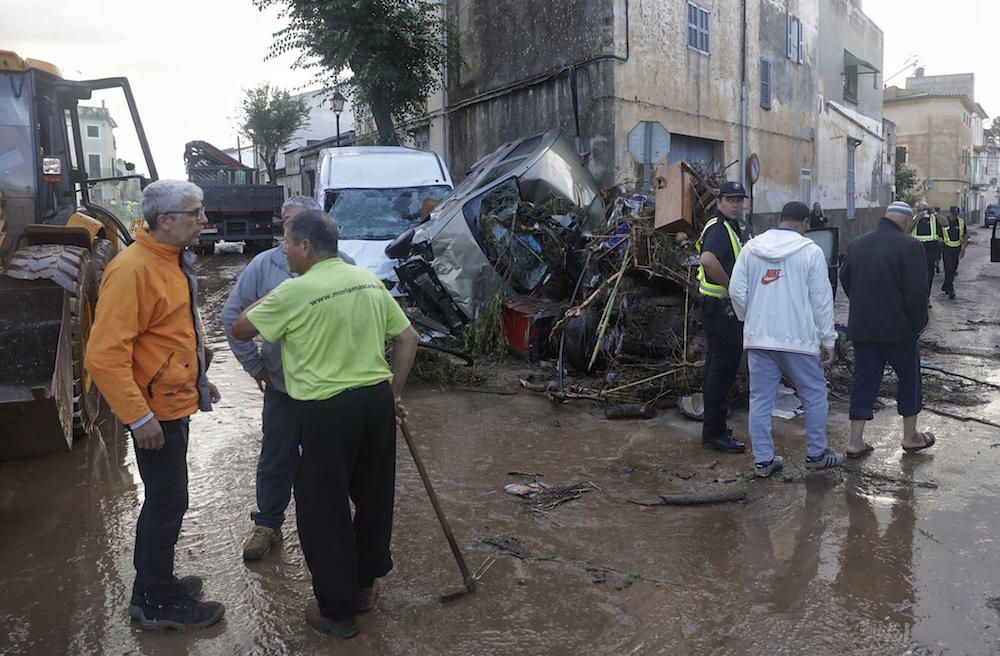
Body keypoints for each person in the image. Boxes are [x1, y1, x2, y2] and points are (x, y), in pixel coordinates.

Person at [232, 209, 419, 639]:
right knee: (374, 497)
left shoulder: (294, 292)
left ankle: (337, 612)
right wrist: (394, 395)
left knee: (323, 509)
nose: (282, 250)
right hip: (375, 403)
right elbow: (408, 338)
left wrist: (275, 295)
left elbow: (242, 329)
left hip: (323, 410)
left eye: (287, 242)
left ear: (306, 248)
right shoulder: (368, 281)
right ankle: (365, 587)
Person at [85, 180, 225, 631]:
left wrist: (200, 379)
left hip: (170, 402)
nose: (204, 220)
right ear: (166, 221)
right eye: (195, 213)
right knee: (166, 503)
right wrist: (139, 417)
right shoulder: (133, 270)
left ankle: (156, 583)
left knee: (169, 500)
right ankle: (154, 602)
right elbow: (103, 355)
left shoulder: (170, 261)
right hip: (153, 413)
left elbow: (173, 334)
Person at [222, 196, 355, 561]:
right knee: (276, 457)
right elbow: (233, 321)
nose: (289, 234)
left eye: (298, 224)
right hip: (283, 388)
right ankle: (267, 524)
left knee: (331, 461)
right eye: (285, 224)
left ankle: (330, 530)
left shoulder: (345, 268)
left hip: (332, 391)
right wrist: (258, 368)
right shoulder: (264, 266)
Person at [729, 201, 845, 477]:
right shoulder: (811, 252)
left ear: (780, 218)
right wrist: (828, 339)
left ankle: (763, 461)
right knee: (815, 395)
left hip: (759, 340)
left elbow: (736, 292)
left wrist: (749, 317)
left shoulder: (751, 248)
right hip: (799, 341)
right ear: (805, 223)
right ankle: (817, 454)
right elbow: (822, 301)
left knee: (760, 400)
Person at [839, 201, 936, 457]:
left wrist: (862, 305)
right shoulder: (911, 246)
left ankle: (855, 441)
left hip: (864, 329)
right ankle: (910, 436)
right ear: (905, 222)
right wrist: (919, 324)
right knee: (909, 380)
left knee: (864, 382)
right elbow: (917, 292)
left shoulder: (857, 244)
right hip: (900, 331)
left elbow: (845, 278)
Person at [695, 181, 750, 453]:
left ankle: (713, 427)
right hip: (722, 309)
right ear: (719, 202)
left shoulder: (727, 227)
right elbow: (707, 260)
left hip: (716, 308)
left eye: (739, 200)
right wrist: (732, 288)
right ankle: (714, 434)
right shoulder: (718, 228)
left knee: (716, 370)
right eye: (730, 200)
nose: (736, 204)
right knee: (721, 372)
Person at [911, 202, 942, 296]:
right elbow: (907, 230)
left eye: (924, 210)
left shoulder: (933, 219)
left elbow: (945, 223)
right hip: (917, 247)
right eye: (919, 210)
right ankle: (916, 294)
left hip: (931, 247)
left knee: (929, 273)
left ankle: (926, 296)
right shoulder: (914, 219)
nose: (921, 212)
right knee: (916, 272)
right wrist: (916, 219)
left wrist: (935, 213)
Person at [940, 205, 967, 300]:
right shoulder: (944, 222)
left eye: (957, 214)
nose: (955, 216)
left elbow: (965, 235)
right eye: (954, 214)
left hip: (957, 248)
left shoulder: (961, 222)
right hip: (946, 248)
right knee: (948, 268)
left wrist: (963, 248)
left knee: (954, 269)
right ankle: (951, 290)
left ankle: (945, 286)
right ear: (950, 213)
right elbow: (939, 234)